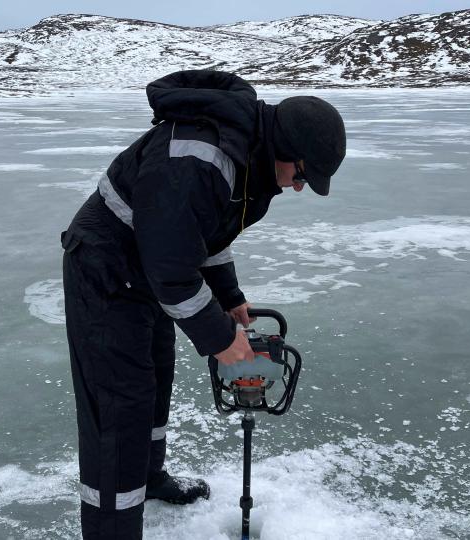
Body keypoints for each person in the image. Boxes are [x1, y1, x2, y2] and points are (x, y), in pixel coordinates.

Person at [60, 69, 346, 539]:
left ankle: (149, 480)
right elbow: (172, 269)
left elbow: (206, 234)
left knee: (154, 378)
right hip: (107, 269)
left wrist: (229, 297)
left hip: (146, 266)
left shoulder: (247, 158)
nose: (298, 187)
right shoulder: (199, 160)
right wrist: (220, 340)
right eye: (301, 175)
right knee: (119, 408)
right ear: (286, 151)